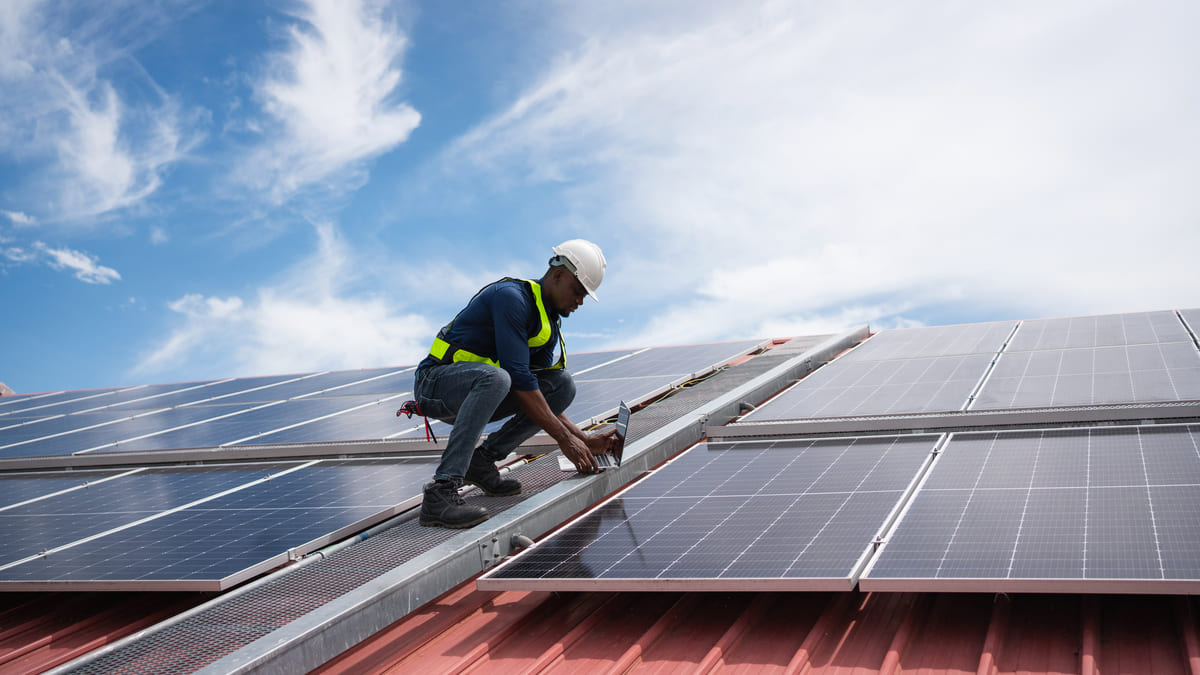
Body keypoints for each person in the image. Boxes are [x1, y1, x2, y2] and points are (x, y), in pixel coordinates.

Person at [413, 239, 618, 529]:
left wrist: (584, 439)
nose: (580, 301)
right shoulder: (511, 298)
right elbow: (519, 381)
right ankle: (441, 491)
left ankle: (481, 463)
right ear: (558, 275)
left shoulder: (547, 325)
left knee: (561, 385)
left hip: (480, 391)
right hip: (435, 386)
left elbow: (537, 396)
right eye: (578, 291)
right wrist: (564, 439)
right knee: (498, 378)